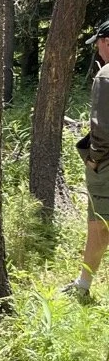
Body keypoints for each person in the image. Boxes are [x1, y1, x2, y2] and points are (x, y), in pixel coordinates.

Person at [65, 23, 109, 302]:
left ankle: (82, 286)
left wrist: (94, 159)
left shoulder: (106, 75)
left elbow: (102, 128)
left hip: (107, 165)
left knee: (99, 223)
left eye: (99, 41)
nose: (97, 47)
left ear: (107, 42)